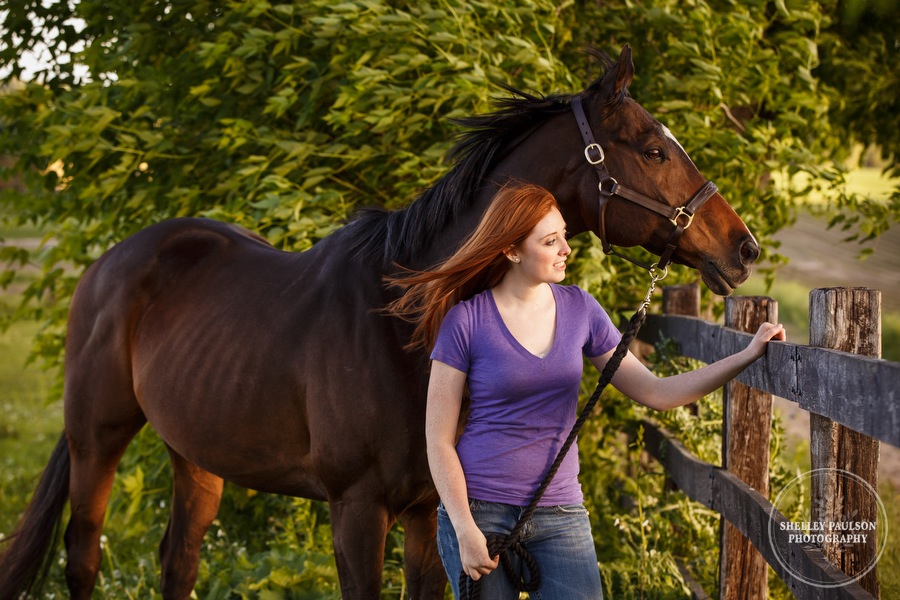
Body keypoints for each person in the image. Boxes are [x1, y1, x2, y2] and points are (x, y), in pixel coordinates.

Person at [388, 182, 785, 599]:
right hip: (480, 513)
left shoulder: (581, 309)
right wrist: (464, 528)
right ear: (511, 250)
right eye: (550, 240)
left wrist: (745, 355)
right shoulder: (466, 322)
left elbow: (656, 392)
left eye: (563, 235)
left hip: (560, 512)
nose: (566, 249)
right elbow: (438, 439)